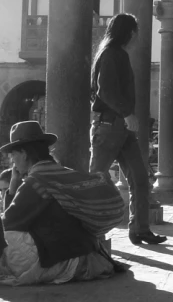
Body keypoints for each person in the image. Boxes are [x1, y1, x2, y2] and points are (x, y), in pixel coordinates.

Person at [0, 121, 125, 285]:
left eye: (13, 155)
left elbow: (8, 223)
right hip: (83, 251)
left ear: (24, 154)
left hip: (64, 259)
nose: (13, 162)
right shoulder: (56, 173)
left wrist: (11, 189)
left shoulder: (36, 182)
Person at [89, 13, 166, 245]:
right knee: (95, 180)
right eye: (136, 32)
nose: (137, 36)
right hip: (110, 125)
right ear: (130, 32)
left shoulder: (114, 53)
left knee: (140, 179)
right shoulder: (113, 54)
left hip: (119, 127)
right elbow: (106, 91)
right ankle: (87, 231)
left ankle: (140, 229)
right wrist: (127, 113)